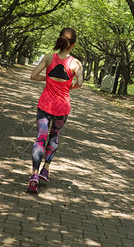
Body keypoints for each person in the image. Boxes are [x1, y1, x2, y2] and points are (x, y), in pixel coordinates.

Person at [27, 27, 83, 194]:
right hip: (62, 107)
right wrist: (66, 86)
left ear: (60, 40)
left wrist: (48, 79)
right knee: (54, 136)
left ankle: (34, 176)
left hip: (45, 105)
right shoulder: (76, 63)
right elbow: (79, 83)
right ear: (73, 44)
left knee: (40, 138)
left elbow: (33, 76)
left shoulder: (49, 57)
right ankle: (46, 168)